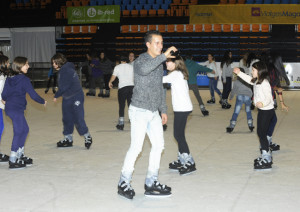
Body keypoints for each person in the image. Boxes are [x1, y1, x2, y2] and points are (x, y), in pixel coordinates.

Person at [117, 30, 176, 199]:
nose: (161, 46)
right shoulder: (140, 60)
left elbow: (159, 88)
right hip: (139, 111)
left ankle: (151, 182)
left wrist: (163, 109)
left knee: (159, 146)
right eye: (157, 43)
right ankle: (123, 182)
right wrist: (164, 56)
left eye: (162, 43)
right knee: (136, 148)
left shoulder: (159, 63)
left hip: (153, 112)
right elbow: (143, 70)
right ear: (148, 44)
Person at [2, 56, 47, 169]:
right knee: (19, 131)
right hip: (16, 109)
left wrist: (7, 99)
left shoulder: (9, 79)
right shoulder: (24, 79)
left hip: (10, 108)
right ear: (20, 66)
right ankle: (13, 159)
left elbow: (4, 95)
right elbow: (33, 95)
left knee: (25, 129)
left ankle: (20, 154)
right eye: (26, 64)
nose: (29, 66)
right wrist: (42, 101)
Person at [233, 61, 275, 170]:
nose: (251, 72)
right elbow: (248, 79)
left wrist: (263, 103)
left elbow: (269, 97)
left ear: (259, 71)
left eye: (253, 70)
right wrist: (239, 73)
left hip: (266, 110)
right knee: (260, 132)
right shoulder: (256, 81)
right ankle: (266, 153)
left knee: (261, 133)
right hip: (262, 111)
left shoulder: (264, 83)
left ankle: (267, 157)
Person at [52, 53, 92, 150]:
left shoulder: (66, 70)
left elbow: (64, 87)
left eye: (54, 63)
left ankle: (87, 136)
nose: (53, 64)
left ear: (59, 62)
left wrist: (56, 95)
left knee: (78, 118)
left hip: (76, 96)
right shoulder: (64, 69)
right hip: (67, 97)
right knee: (67, 118)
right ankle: (68, 138)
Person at [163, 56, 196, 175]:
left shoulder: (176, 73)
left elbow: (162, 80)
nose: (166, 63)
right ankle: (182, 159)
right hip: (182, 108)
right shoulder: (178, 73)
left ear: (175, 63)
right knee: (179, 135)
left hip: (182, 109)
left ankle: (189, 161)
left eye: (168, 61)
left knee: (178, 135)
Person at [263, 52, 290, 152]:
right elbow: (269, 85)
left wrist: (282, 103)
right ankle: (265, 143)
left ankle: (267, 141)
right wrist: (276, 88)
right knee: (269, 121)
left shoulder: (274, 70)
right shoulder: (270, 70)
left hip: (269, 99)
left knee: (272, 120)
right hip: (264, 99)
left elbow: (278, 88)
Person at [108, 54, 134, 131]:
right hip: (131, 87)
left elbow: (114, 76)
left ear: (120, 60)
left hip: (122, 88)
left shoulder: (117, 67)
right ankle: (133, 121)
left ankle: (121, 123)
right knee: (131, 106)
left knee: (122, 105)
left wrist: (110, 82)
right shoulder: (131, 67)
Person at [226, 68, 254, 133]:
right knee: (248, 111)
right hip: (248, 96)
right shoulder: (248, 80)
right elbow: (251, 89)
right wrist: (251, 97)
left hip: (240, 96)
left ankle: (231, 126)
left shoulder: (236, 81)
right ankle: (250, 125)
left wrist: (231, 97)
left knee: (236, 112)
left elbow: (233, 90)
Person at [0, 55, 10, 162]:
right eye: (7, 62)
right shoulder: (1, 77)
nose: (9, 64)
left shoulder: (3, 76)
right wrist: (3, 99)